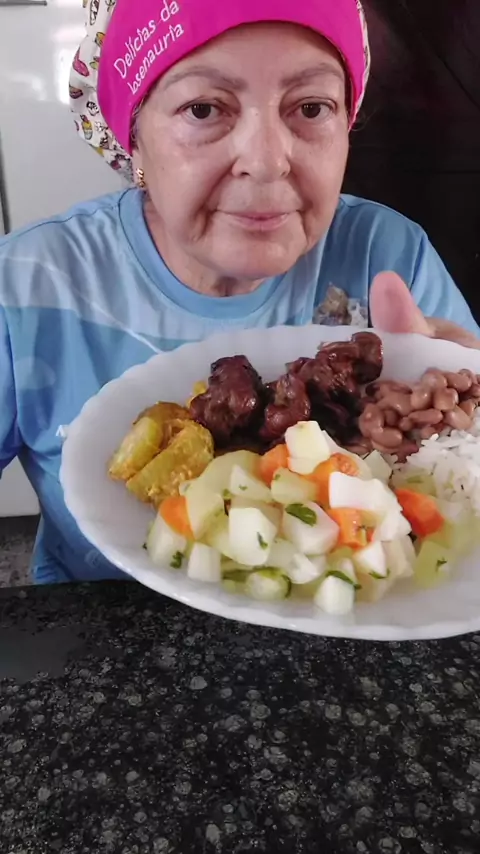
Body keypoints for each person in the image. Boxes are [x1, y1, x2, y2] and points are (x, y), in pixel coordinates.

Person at [0, 0, 478, 585]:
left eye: (311, 107)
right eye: (204, 109)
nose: (267, 162)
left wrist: (466, 426)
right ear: (133, 139)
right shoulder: (27, 285)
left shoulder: (391, 255)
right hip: (102, 626)